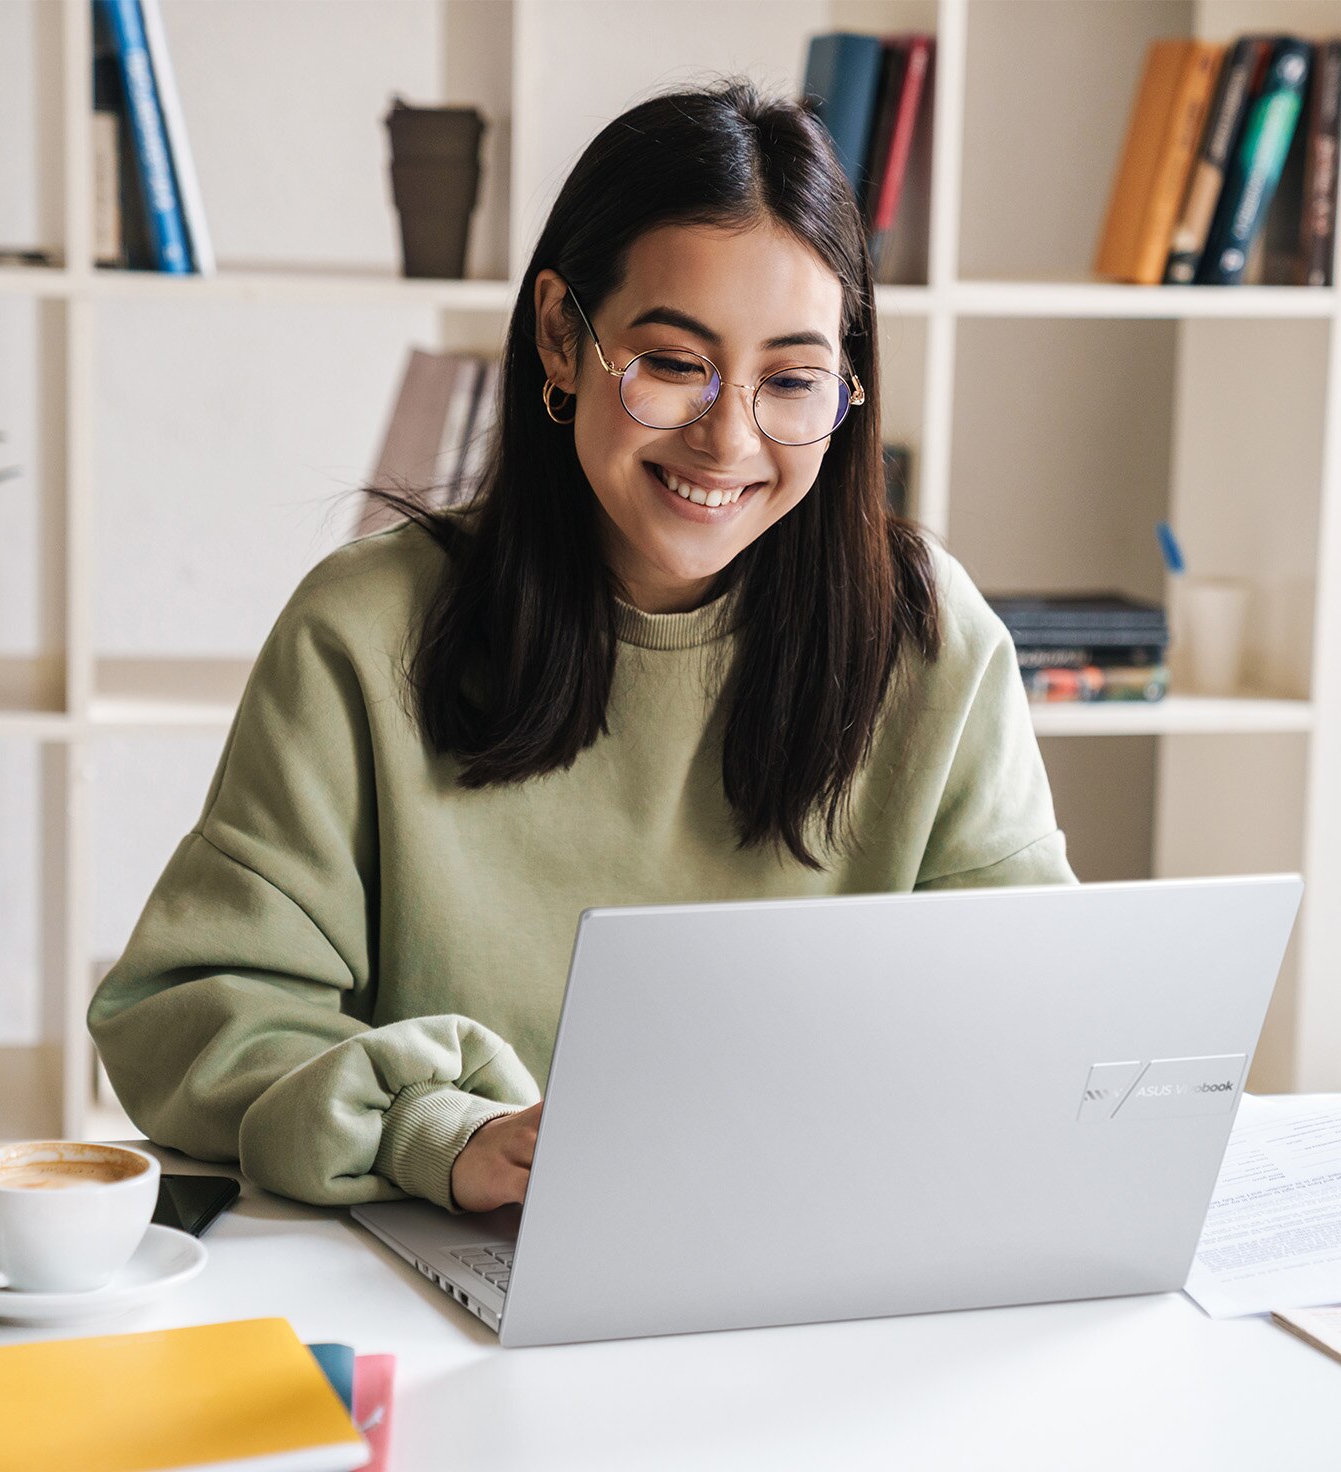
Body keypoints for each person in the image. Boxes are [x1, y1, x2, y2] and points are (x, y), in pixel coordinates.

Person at [88, 79, 1076, 1219]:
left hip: (819, 1264)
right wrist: (431, 1129)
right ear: (562, 334)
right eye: (671, 361)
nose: (728, 437)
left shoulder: (929, 640)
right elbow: (190, 1010)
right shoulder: (364, 634)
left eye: (792, 380)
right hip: (448, 1267)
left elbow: (1031, 1016)